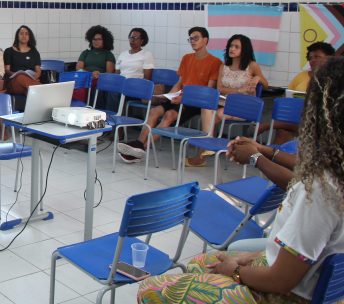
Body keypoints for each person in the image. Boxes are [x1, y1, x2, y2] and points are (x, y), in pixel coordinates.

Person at [138, 56, 344, 304]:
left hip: (282, 295)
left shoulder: (321, 190)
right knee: (201, 263)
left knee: (151, 291)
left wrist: (236, 271)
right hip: (294, 273)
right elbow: (296, 251)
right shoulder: (333, 172)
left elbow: (281, 280)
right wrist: (246, 258)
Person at [117, 27, 222, 163]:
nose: (192, 41)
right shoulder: (187, 58)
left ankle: (142, 148)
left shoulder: (215, 62)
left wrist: (183, 98)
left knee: (169, 115)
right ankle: (138, 143)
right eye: (190, 38)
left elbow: (208, 91)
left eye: (196, 38)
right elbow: (179, 83)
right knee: (155, 111)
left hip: (196, 102)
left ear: (205, 40)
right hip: (180, 97)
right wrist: (170, 96)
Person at [187, 34, 268, 167]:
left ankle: (202, 152)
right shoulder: (224, 66)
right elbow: (220, 88)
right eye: (231, 46)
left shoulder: (252, 65)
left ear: (244, 49)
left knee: (217, 114)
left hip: (243, 108)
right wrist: (239, 91)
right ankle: (207, 147)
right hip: (225, 103)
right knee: (206, 109)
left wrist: (258, 78)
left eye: (237, 47)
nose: (232, 49)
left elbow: (266, 85)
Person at [258, 41, 335, 145]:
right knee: (283, 132)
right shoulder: (302, 76)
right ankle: (275, 157)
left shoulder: (334, 79)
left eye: (317, 57)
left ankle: (267, 128)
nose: (313, 60)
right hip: (297, 118)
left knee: (281, 127)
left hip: (320, 122)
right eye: (311, 58)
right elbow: (287, 97)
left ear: (329, 59)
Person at [75, 25, 116, 105]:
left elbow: (109, 74)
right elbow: (79, 68)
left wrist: (98, 75)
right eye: (94, 39)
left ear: (105, 41)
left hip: (99, 79)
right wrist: (90, 74)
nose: (96, 41)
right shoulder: (85, 53)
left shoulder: (108, 54)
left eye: (99, 39)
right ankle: (78, 107)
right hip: (85, 77)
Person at [4, 25, 42, 95]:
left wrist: (34, 77)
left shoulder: (34, 52)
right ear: (17, 36)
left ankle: (37, 91)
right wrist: (15, 74)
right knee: (21, 77)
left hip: (29, 82)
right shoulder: (9, 51)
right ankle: (43, 90)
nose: (24, 36)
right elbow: (7, 70)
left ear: (29, 36)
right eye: (21, 34)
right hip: (14, 82)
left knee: (29, 92)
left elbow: (38, 71)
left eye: (26, 34)